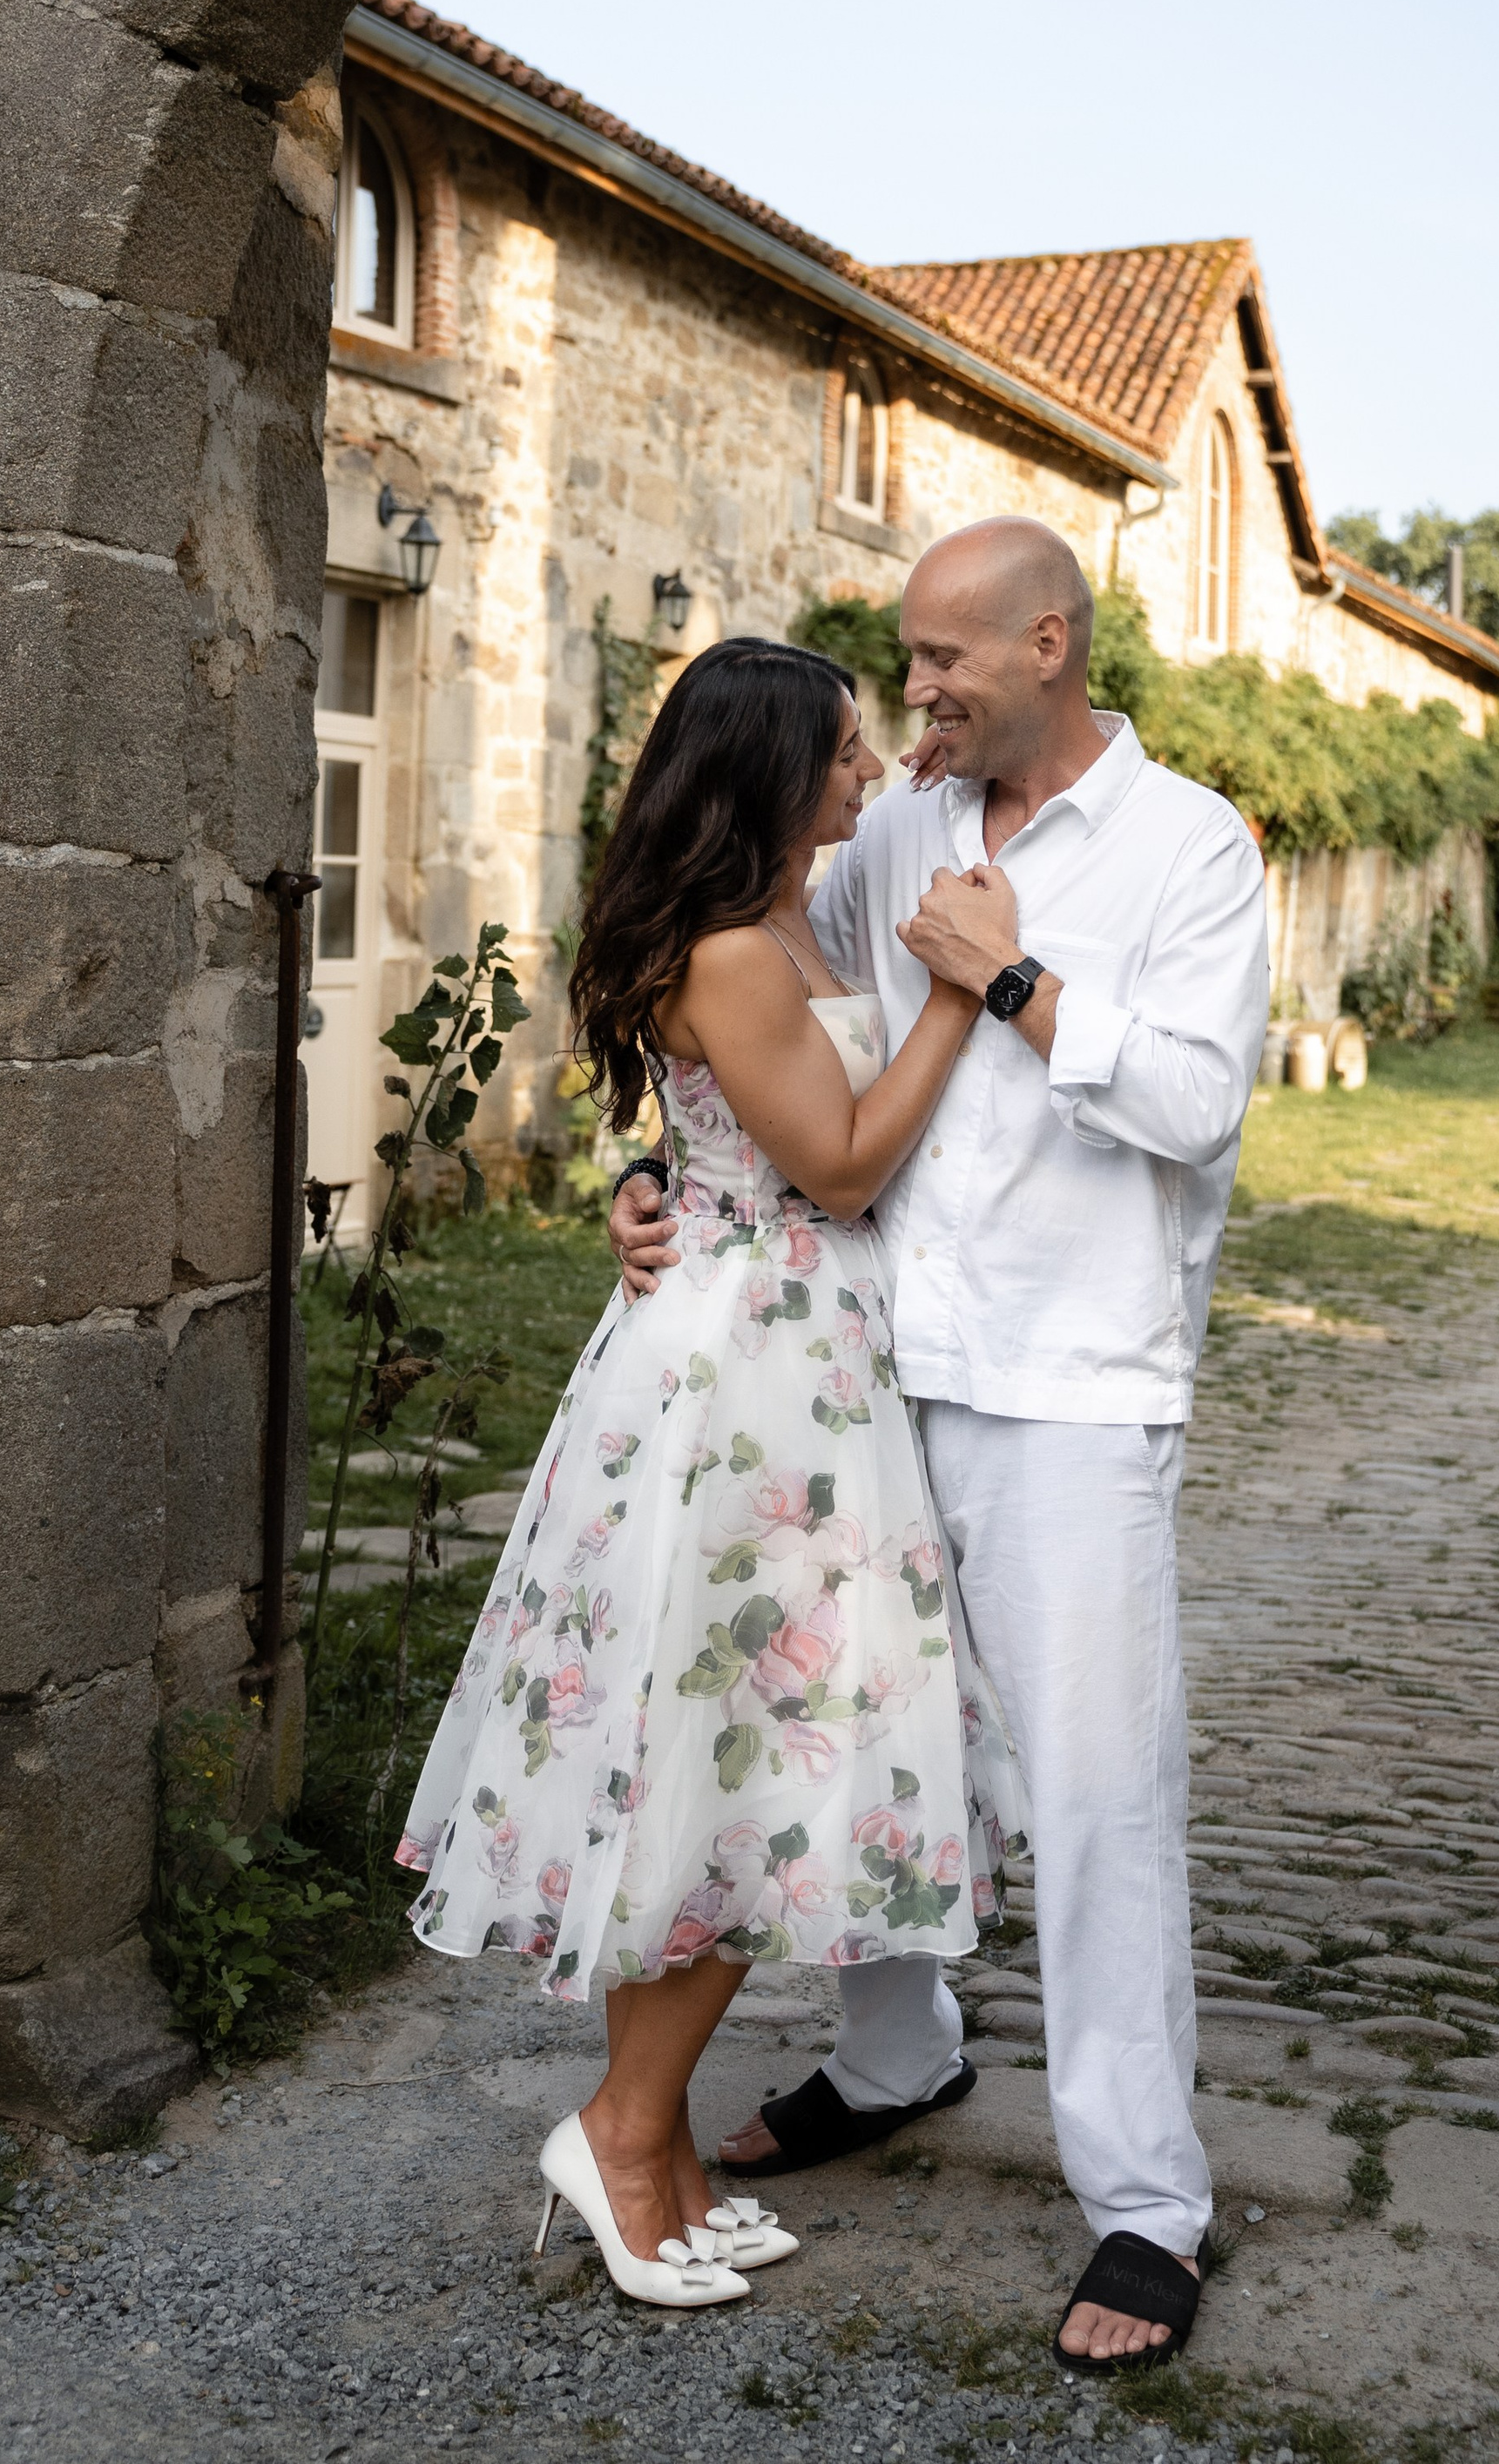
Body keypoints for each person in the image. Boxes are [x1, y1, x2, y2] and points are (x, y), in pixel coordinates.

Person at [611, 517, 1269, 2371]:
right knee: (860, 1740)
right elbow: (745, 1022)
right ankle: (897, 2053)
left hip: (1070, 1387)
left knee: (1090, 1788)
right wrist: (652, 1178)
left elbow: (1200, 1105)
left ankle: (1144, 2201)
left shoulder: (1186, 847)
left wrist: (1016, 979)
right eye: (900, 664)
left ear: (1045, 642)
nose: (907, 696)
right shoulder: (893, 825)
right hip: (870, 1361)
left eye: (936, 663)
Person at [395, 635, 1023, 2311]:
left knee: (713, 1763)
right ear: (767, 769)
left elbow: (725, 1134)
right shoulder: (743, 951)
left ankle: (654, 2150)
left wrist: (656, 1180)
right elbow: (833, 1162)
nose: (870, 769)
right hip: (760, 1376)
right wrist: (967, 994)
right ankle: (621, 2131)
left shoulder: (777, 928)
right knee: (746, 1761)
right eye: (840, 748)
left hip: (764, 1347)